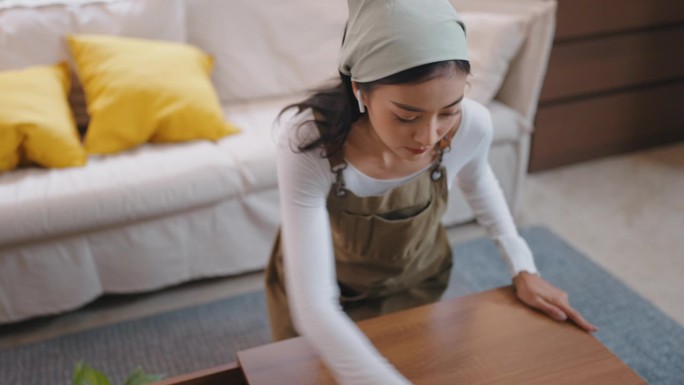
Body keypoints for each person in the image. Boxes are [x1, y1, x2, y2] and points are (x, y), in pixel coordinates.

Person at [265, 0, 598, 383]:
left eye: (449, 111)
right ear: (361, 90)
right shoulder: (309, 142)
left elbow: (479, 180)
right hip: (328, 291)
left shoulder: (472, 125)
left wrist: (522, 266)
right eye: (406, 116)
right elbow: (315, 307)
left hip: (414, 282)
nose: (429, 136)